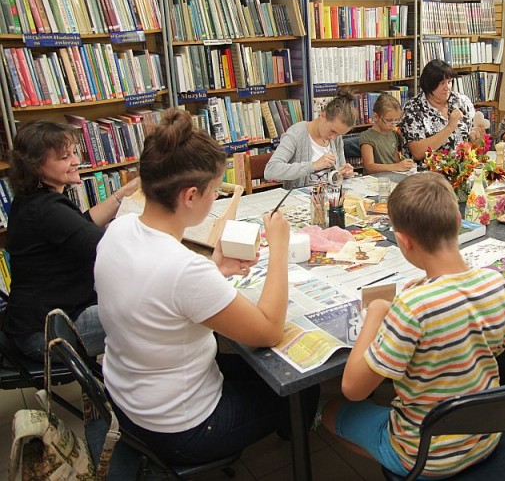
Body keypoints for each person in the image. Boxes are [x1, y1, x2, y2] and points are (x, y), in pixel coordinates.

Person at [95, 109, 317, 464]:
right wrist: (278, 248)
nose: (216, 199)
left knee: (250, 369)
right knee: (301, 389)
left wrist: (214, 267)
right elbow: (270, 330)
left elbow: (159, 293)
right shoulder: (183, 269)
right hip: (181, 428)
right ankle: (295, 445)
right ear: (190, 196)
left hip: (130, 400)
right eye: (215, 191)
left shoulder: (118, 230)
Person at [322, 172, 505, 478]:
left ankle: (399, 464)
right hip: (484, 438)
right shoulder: (494, 282)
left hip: (424, 455)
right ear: (459, 221)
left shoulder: (412, 306)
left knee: (331, 412)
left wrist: (377, 313)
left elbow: (353, 389)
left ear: (404, 241)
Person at [3, 120, 139, 361]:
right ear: (36, 166)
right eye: (65, 157)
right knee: (155, 312)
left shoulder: (32, 199)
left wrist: (123, 194)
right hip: (49, 333)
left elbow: (80, 226)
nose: (76, 161)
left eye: (74, 153)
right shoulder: (47, 210)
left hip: (36, 321)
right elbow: (108, 250)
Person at [400, 59, 487, 170]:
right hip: (427, 173)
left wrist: (478, 138)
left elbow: (475, 143)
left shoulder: (461, 101)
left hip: (463, 169)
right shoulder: (413, 109)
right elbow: (418, 152)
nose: (447, 87)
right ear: (429, 85)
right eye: (442, 83)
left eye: (449, 82)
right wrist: (450, 127)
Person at [264, 89, 357, 188]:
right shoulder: (296, 134)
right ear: (323, 115)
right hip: (301, 200)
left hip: (329, 197)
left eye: (339, 134)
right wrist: (313, 166)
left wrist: (344, 173)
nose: (334, 137)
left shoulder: (336, 137)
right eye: (333, 131)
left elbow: (338, 173)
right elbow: (270, 171)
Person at [359, 93, 416, 174]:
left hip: (392, 176)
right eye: (389, 120)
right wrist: (397, 166)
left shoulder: (393, 134)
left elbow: (396, 160)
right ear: (376, 117)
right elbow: (369, 167)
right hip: (375, 180)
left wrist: (405, 164)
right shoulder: (367, 136)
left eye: (396, 120)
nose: (393, 125)